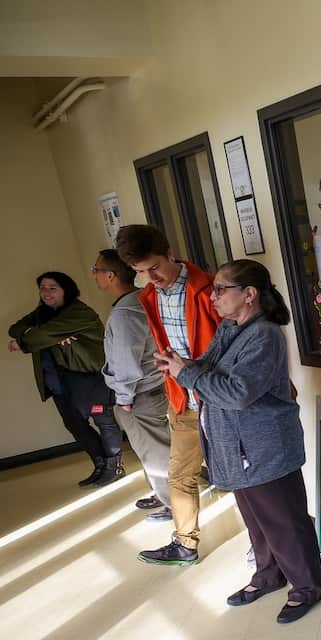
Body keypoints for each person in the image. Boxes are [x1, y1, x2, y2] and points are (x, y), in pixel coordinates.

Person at [155, 260, 321, 622]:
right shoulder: (231, 328)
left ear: (249, 294)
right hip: (236, 446)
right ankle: (268, 575)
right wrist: (181, 364)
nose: (212, 297)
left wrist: (186, 372)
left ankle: (307, 587)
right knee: (256, 520)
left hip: (264, 447)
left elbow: (238, 392)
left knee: (284, 521)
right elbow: (206, 367)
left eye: (220, 289)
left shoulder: (265, 335)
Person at [117, 224, 221, 565]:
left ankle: (264, 549)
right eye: (140, 272)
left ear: (170, 253)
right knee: (179, 475)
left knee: (244, 477)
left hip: (220, 400)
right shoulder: (148, 297)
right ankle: (185, 544)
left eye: (155, 267)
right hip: (182, 401)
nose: (151, 277)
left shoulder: (208, 289)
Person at [9, 271, 125, 488]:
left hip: (90, 376)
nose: (46, 292)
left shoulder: (79, 313)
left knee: (104, 420)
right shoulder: (43, 314)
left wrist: (38, 336)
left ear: (66, 290)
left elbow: (37, 338)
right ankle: (100, 464)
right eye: (42, 288)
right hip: (60, 380)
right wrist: (46, 332)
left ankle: (114, 466)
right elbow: (14, 329)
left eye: (53, 287)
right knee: (74, 423)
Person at [93, 249, 173, 523]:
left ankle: (172, 503)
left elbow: (127, 361)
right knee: (150, 448)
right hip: (148, 389)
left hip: (139, 395)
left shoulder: (125, 313)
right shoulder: (135, 302)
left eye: (97, 270)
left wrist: (124, 396)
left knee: (155, 451)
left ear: (111, 275)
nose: (95, 275)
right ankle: (161, 493)